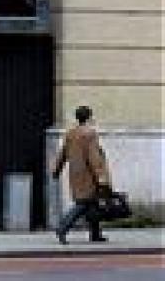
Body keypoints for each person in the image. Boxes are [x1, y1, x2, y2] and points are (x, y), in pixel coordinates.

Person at [53, 105, 112, 245]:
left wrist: (56, 170)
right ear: (89, 117)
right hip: (88, 175)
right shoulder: (89, 134)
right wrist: (101, 177)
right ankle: (62, 227)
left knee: (93, 204)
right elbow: (94, 158)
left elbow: (63, 153)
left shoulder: (70, 133)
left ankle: (96, 234)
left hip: (75, 173)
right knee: (83, 204)